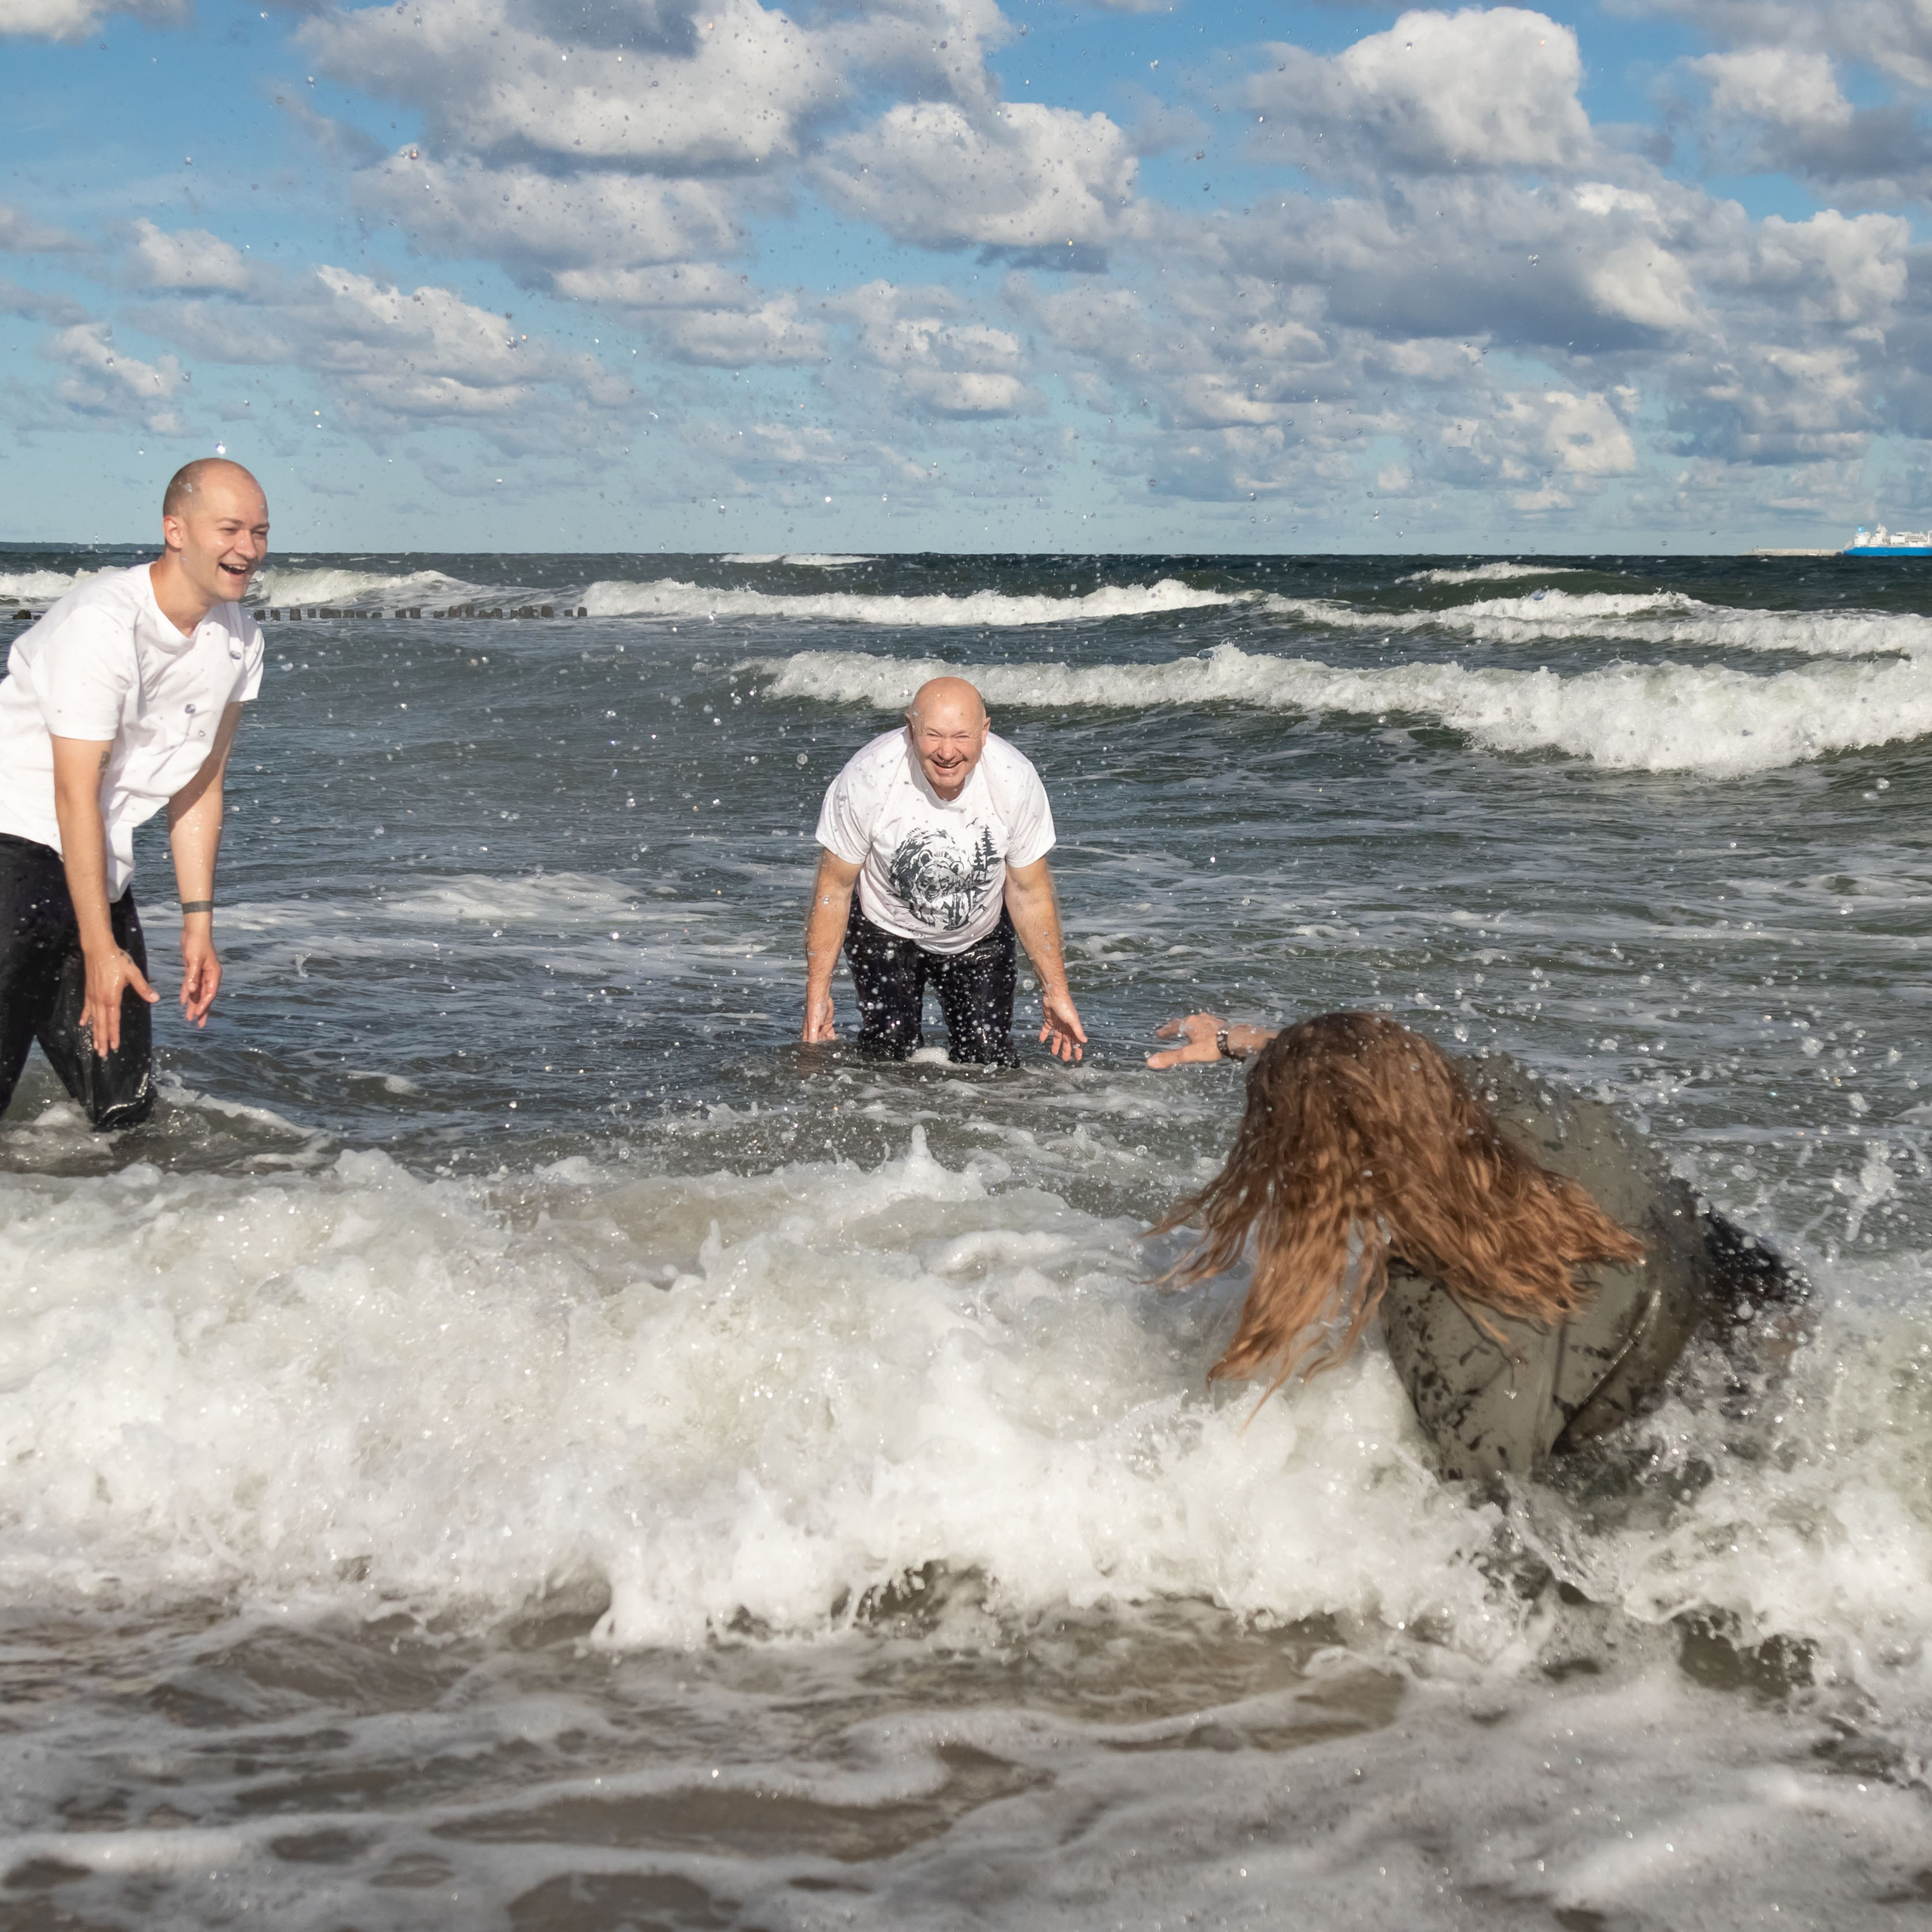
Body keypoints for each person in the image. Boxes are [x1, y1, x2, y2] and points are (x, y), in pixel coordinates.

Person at [1146, 1010, 1805, 1480]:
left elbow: (1492, 1505)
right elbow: (1375, 1079)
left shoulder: (1441, 1311)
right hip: (1763, 1304)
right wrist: (1246, 1041)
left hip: (1678, 1429)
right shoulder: (1513, 1099)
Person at [0, 458, 269, 1131]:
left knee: (124, 1110)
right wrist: (99, 947)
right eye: (230, 529)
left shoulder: (240, 638)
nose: (247, 549)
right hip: (12, 851)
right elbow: (73, 793)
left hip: (94, 866)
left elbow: (201, 783)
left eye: (260, 532)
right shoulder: (103, 622)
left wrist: (198, 924)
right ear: (175, 530)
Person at [801, 676, 1087, 1066]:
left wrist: (1057, 991)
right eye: (933, 735)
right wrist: (818, 994)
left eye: (961, 736)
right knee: (887, 1054)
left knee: (989, 1062)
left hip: (979, 934)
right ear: (910, 729)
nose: (947, 752)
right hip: (883, 928)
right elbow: (834, 887)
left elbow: (1029, 893)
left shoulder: (1015, 780)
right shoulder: (869, 776)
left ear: (984, 732)